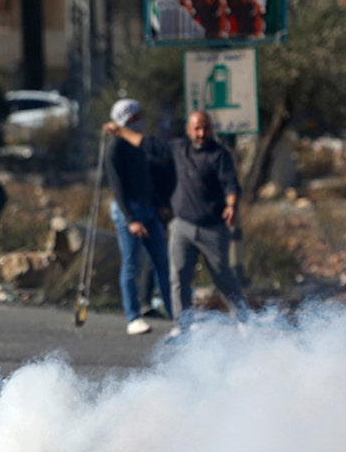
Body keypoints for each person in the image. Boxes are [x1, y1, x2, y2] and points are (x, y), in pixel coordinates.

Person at [105, 110, 247, 334]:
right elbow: (145, 143)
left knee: (223, 278)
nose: (201, 133)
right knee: (178, 277)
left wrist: (231, 205)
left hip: (212, 227)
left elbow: (231, 185)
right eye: (197, 128)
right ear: (189, 130)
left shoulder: (219, 155)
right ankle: (182, 324)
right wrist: (121, 131)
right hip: (182, 225)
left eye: (206, 128)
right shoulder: (178, 149)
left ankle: (243, 319)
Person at [104, 99, 173, 335]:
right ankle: (133, 317)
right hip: (129, 211)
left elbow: (147, 180)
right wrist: (131, 219)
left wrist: (159, 204)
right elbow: (118, 188)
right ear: (129, 118)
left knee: (162, 262)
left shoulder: (138, 145)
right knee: (131, 264)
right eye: (138, 115)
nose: (143, 119)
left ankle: (177, 313)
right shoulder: (115, 148)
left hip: (149, 208)